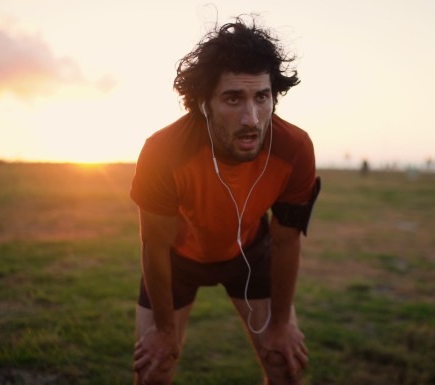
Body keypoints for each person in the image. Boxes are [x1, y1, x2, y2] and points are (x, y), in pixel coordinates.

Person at [129, 15, 320, 385]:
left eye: (262, 97)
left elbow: (285, 240)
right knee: (155, 367)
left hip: (249, 251)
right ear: (204, 104)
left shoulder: (295, 148)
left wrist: (280, 325)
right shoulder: (163, 151)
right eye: (233, 98)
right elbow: (154, 246)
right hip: (177, 260)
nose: (252, 118)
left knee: (283, 362)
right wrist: (164, 331)